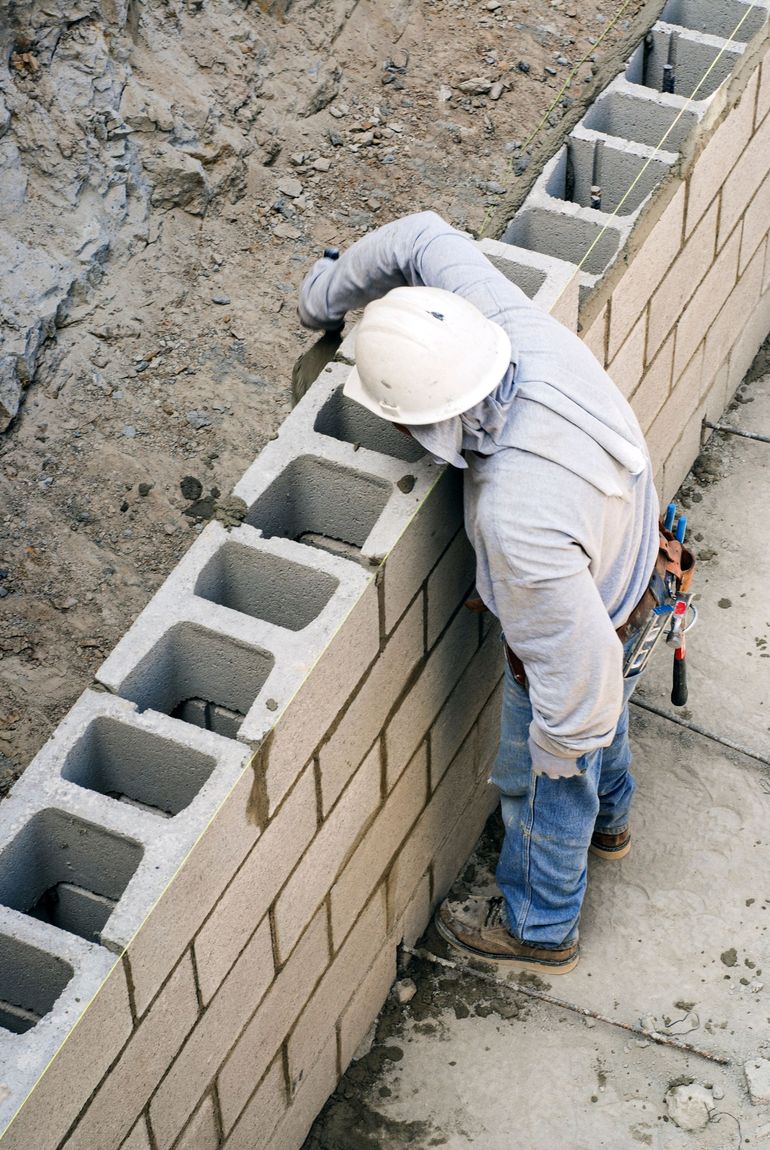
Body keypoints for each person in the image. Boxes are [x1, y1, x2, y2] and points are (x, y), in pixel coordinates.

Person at [296, 211, 661, 974]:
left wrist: (558, 756)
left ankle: (540, 924)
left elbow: (582, 684)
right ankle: (612, 825)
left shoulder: (516, 517)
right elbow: (421, 237)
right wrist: (326, 295)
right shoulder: (509, 328)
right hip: (627, 564)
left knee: (550, 773)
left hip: (589, 622)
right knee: (608, 697)